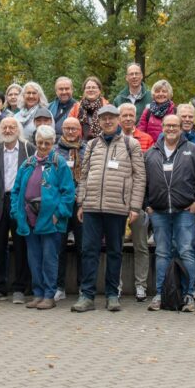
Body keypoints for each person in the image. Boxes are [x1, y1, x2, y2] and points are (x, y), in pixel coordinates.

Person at [71, 105, 146, 313]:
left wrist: (135, 207)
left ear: (118, 119)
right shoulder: (92, 145)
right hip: (92, 207)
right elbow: (83, 176)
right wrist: (81, 203)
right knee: (88, 252)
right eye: (103, 118)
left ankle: (113, 295)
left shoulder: (132, 145)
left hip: (118, 208)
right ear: (99, 121)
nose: (107, 121)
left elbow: (140, 178)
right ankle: (86, 295)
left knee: (115, 252)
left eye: (111, 118)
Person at [144, 114, 195, 311]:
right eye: (167, 125)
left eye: (175, 126)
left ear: (182, 128)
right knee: (162, 253)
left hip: (185, 211)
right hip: (159, 212)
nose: (171, 129)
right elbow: (142, 182)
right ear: (162, 127)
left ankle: (188, 294)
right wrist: (147, 205)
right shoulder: (150, 153)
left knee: (186, 252)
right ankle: (160, 294)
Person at [11, 125, 76, 310]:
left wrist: (59, 214)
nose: (43, 146)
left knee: (49, 258)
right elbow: (16, 190)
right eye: (40, 142)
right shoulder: (27, 163)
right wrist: (16, 212)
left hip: (51, 220)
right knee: (34, 258)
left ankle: (49, 295)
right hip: (29, 218)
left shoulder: (58, 163)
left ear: (52, 143)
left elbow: (68, 192)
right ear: (35, 142)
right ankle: (38, 293)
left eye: (47, 143)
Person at [0, 117, 34, 304]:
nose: (7, 130)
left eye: (12, 127)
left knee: (21, 244)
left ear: (18, 130)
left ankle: (20, 288)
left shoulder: (29, 149)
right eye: (4, 127)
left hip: (20, 202)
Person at [119, 102, 153, 299]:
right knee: (117, 246)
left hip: (138, 201)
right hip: (116, 202)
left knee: (141, 245)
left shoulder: (146, 139)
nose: (128, 118)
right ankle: (117, 285)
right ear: (119, 118)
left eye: (131, 115)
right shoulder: (112, 140)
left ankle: (141, 285)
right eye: (124, 115)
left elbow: (147, 173)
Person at [54, 117, 86, 301]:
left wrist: (79, 196)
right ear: (62, 130)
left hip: (82, 204)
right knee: (59, 246)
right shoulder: (55, 150)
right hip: (61, 205)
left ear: (80, 130)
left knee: (83, 247)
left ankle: (83, 286)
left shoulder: (87, 149)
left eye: (74, 128)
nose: (71, 132)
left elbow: (89, 174)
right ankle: (59, 286)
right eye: (67, 128)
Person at [70, 76, 107, 140]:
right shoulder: (76, 108)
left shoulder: (107, 107)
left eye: (94, 87)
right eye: (88, 88)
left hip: (102, 144)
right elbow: (69, 126)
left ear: (99, 90)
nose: (91, 90)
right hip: (80, 145)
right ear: (84, 91)